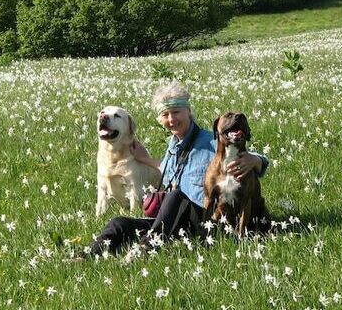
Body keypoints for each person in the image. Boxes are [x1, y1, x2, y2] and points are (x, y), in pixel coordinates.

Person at [85, 82, 269, 258]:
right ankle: (89, 254)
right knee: (119, 222)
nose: (171, 119)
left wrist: (255, 160)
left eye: (176, 112)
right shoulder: (173, 146)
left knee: (175, 197)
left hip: (203, 220)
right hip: (175, 219)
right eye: (165, 114)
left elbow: (244, 153)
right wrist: (146, 160)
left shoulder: (210, 140)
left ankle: (147, 247)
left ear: (188, 112)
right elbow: (172, 171)